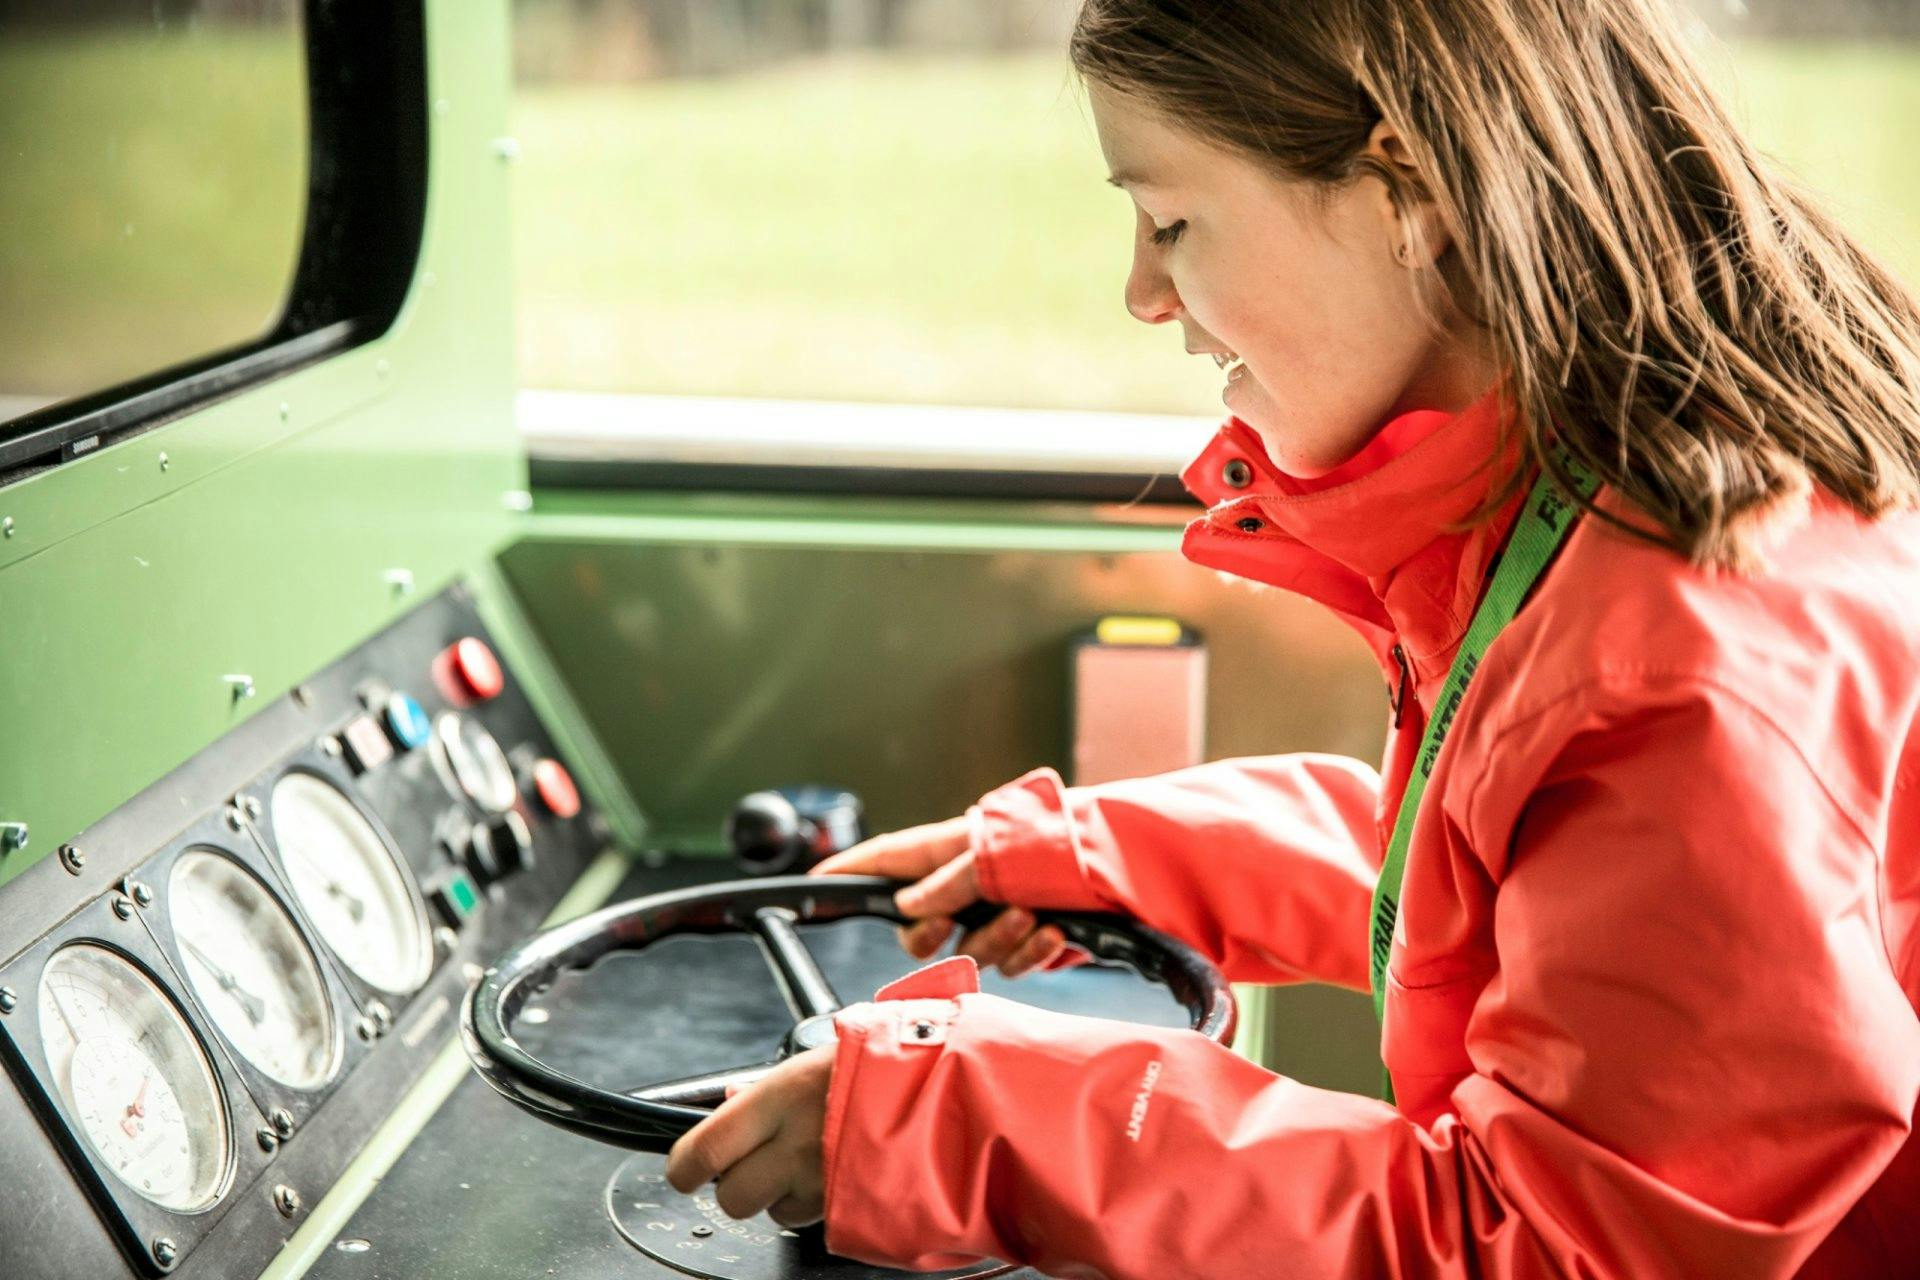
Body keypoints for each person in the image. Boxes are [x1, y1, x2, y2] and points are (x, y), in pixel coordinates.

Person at [663, 1, 1920, 1274]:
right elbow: (1522, 888)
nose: (1143, 294)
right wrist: (1115, 856)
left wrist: (980, 1112)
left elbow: (1545, 1244)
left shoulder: (1678, 658)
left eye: (1170, 223)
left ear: (1408, 190)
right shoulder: (1587, 515)